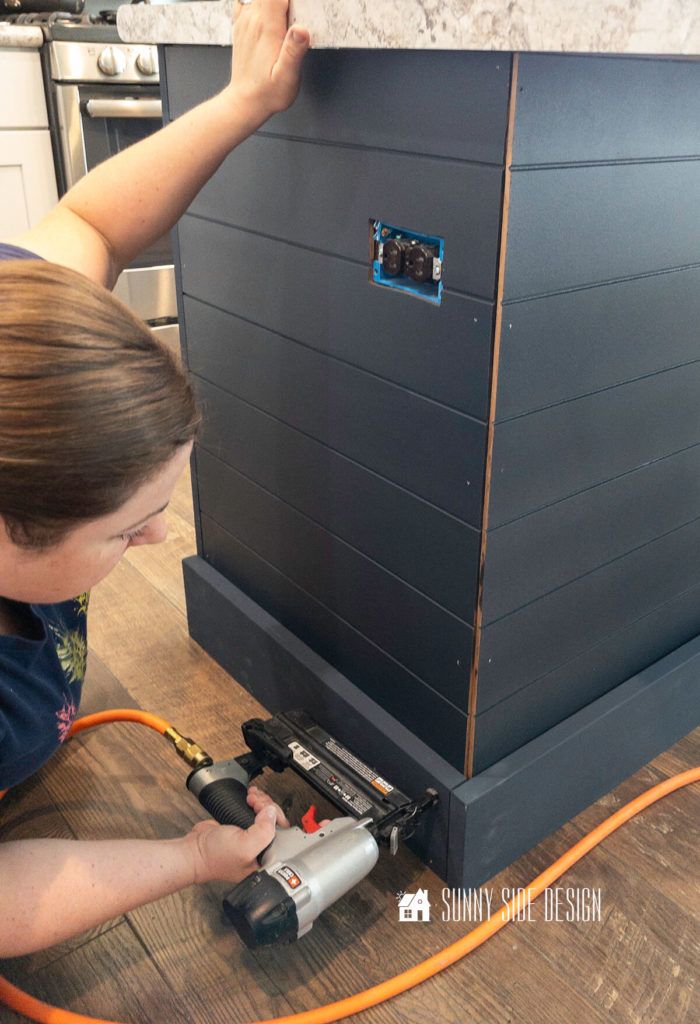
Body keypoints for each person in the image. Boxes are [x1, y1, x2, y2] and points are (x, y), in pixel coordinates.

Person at [0, 0, 310, 959]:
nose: (156, 544)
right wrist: (185, 859)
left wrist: (244, 101)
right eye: (125, 527)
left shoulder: (20, 329)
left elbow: (86, 222)